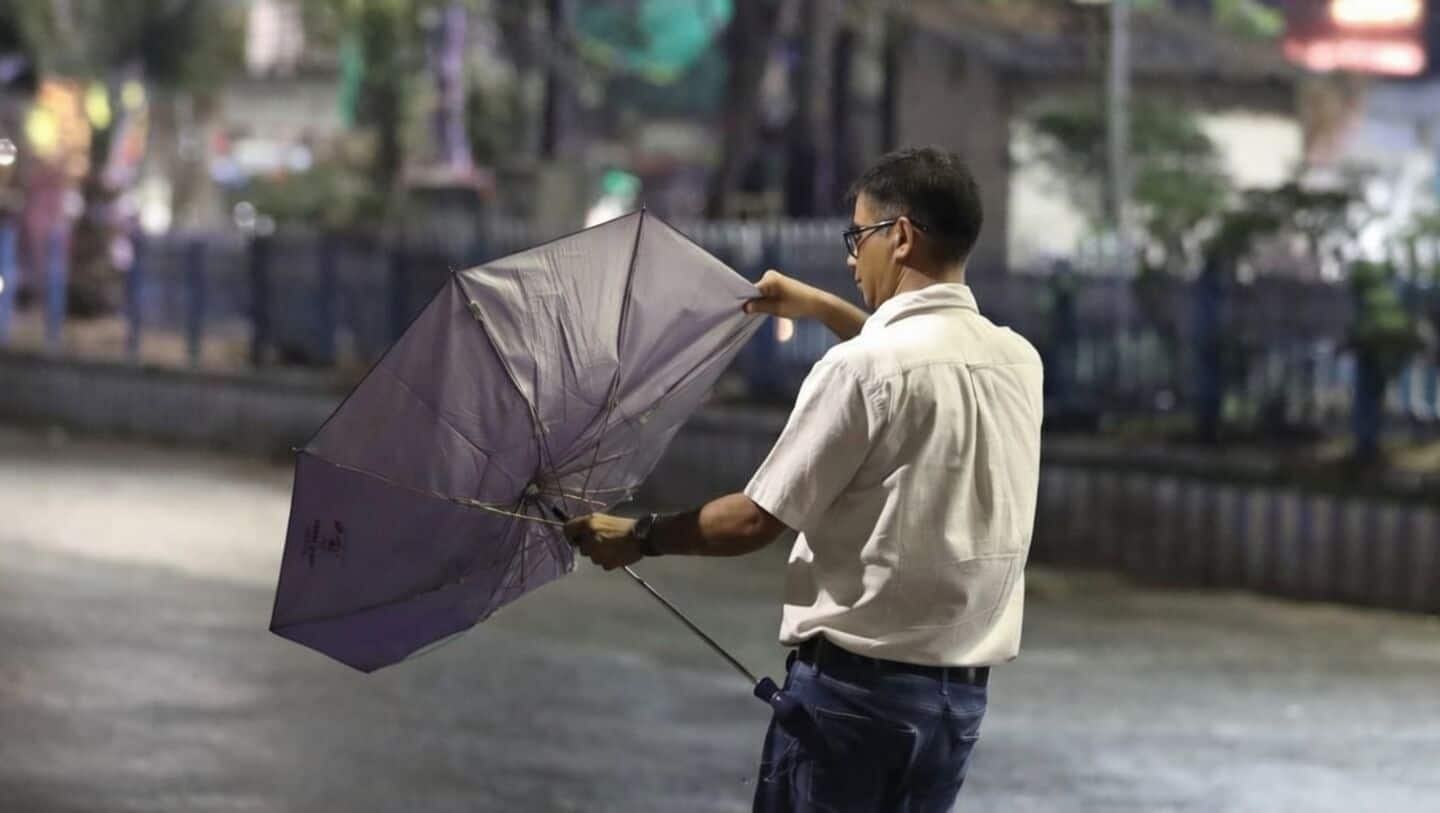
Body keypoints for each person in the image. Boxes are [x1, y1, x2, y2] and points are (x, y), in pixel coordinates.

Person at [564, 147, 1044, 812]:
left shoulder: (859, 370)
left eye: (858, 236)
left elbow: (756, 519)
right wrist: (819, 305)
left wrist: (639, 535)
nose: (851, 258)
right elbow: (913, 363)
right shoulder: (1017, 361)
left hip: (854, 704)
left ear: (899, 237)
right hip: (954, 708)